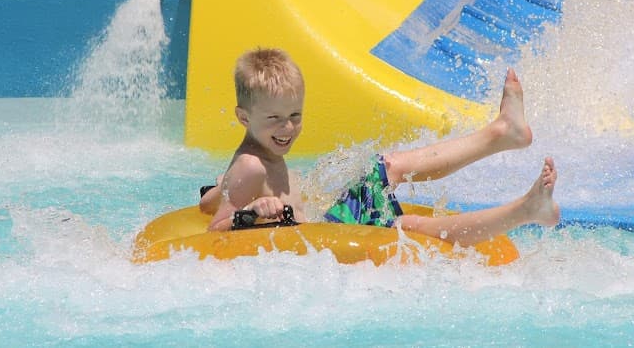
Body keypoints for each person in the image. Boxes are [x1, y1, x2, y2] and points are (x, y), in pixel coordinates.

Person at [200, 48, 560, 246]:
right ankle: (521, 199)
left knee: (387, 172)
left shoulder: (253, 161)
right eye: (275, 118)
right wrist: (252, 211)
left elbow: (211, 203)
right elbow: (215, 232)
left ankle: (504, 140)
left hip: (326, 230)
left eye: (295, 114)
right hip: (328, 241)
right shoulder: (252, 166)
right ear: (243, 117)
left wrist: (221, 190)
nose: (288, 127)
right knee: (405, 215)